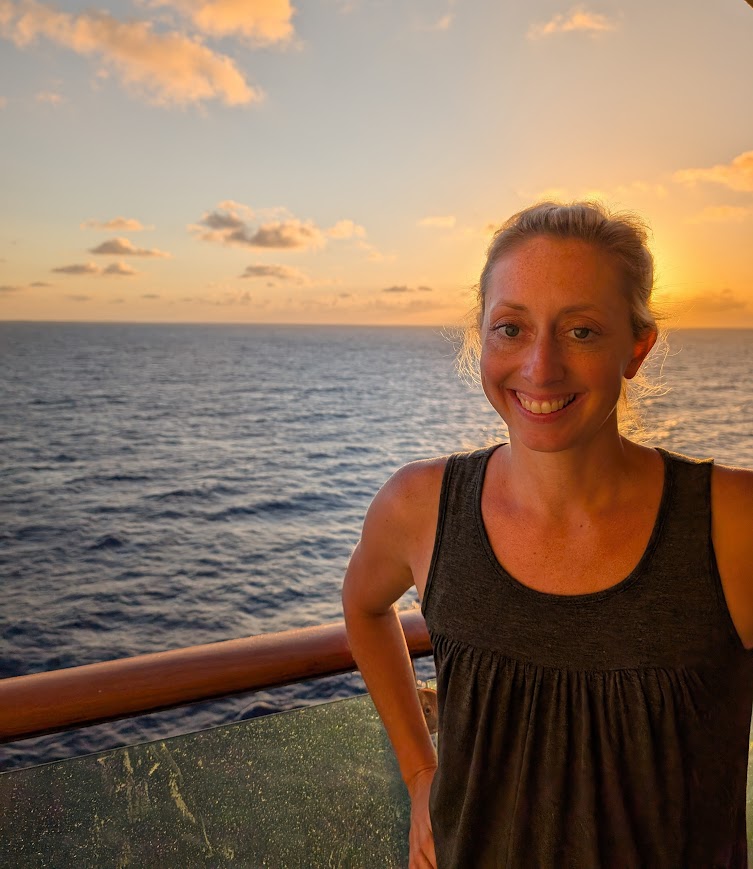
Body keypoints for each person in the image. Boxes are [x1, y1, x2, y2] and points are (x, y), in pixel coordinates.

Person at [341, 200, 753, 868]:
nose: (539, 367)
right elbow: (362, 606)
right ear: (482, 337)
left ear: (635, 347)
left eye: (581, 332)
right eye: (510, 328)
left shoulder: (729, 523)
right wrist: (420, 774)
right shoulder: (419, 506)